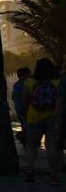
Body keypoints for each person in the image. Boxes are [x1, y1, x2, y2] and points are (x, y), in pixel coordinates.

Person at [21, 57, 61, 185]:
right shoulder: (57, 82)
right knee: (51, 147)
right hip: (52, 117)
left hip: (33, 117)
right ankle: (53, 176)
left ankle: (29, 172)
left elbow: (24, 101)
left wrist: (25, 116)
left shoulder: (30, 82)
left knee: (31, 146)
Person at [11, 66, 32, 136]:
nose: (30, 75)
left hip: (21, 108)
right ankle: (25, 137)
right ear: (22, 75)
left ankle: (25, 137)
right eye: (28, 74)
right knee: (26, 125)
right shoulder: (21, 85)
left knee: (25, 125)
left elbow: (13, 97)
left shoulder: (17, 85)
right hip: (22, 108)